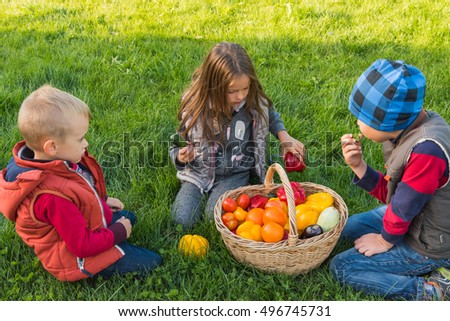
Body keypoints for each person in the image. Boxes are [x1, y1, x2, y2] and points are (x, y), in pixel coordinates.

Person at [0, 85, 162, 281]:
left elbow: (78, 190)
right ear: (52, 146)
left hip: (75, 225)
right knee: (153, 261)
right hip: (74, 258)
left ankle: (111, 231)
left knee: (128, 216)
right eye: (80, 139)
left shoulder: (49, 161)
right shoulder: (51, 196)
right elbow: (82, 247)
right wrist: (118, 233)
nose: (85, 144)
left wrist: (102, 200)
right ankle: (113, 249)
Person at [329, 59, 450, 300]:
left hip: (431, 242)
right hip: (415, 218)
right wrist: (359, 167)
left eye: (362, 119)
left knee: (342, 267)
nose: (357, 123)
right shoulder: (407, 128)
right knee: (343, 228)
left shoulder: (427, 150)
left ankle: (431, 292)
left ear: (387, 123)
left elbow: (403, 208)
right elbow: (397, 195)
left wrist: (384, 241)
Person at [169, 42, 305, 228]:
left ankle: (220, 197)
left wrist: (284, 136)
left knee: (214, 218)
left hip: (234, 173)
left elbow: (270, 115)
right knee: (181, 220)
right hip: (198, 173)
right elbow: (177, 142)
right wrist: (180, 156)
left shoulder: (252, 102)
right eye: (232, 91)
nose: (240, 96)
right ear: (213, 86)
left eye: (245, 88)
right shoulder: (195, 107)